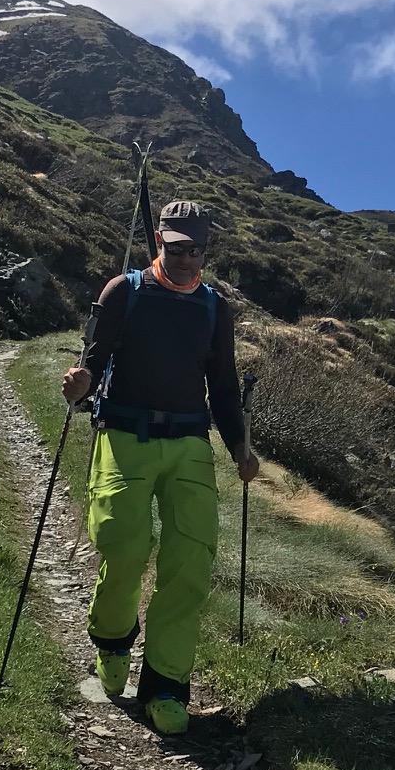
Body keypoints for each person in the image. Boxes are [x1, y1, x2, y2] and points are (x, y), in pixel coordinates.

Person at [62, 200, 259, 736]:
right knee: (124, 548)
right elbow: (92, 365)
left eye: (195, 249)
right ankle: (112, 640)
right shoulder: (123, 292)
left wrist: (239, 448)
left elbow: (223, 386)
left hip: (189, 442)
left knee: (189, 564)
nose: (185, 259)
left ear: (206, 250)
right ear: (158, 241)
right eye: (176, 248)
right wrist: (80, 386)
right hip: (124, 435)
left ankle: (166, 686)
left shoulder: (215, 308)